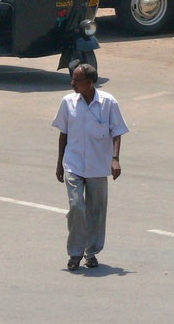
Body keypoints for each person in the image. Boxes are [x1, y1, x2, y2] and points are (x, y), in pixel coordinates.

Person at [53, 63, 128, 271]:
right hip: (73, 164)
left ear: (90, 82)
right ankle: (75, 253)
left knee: (96, 210)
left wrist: (115, 158)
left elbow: (117, 131)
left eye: (77, 80)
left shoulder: (108, 103)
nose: (73, 83)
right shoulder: (68, 102)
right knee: (77, 206)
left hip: (98, 166)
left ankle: (91, 251)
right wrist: (59, 163)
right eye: (73, 79)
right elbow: (63, 133)